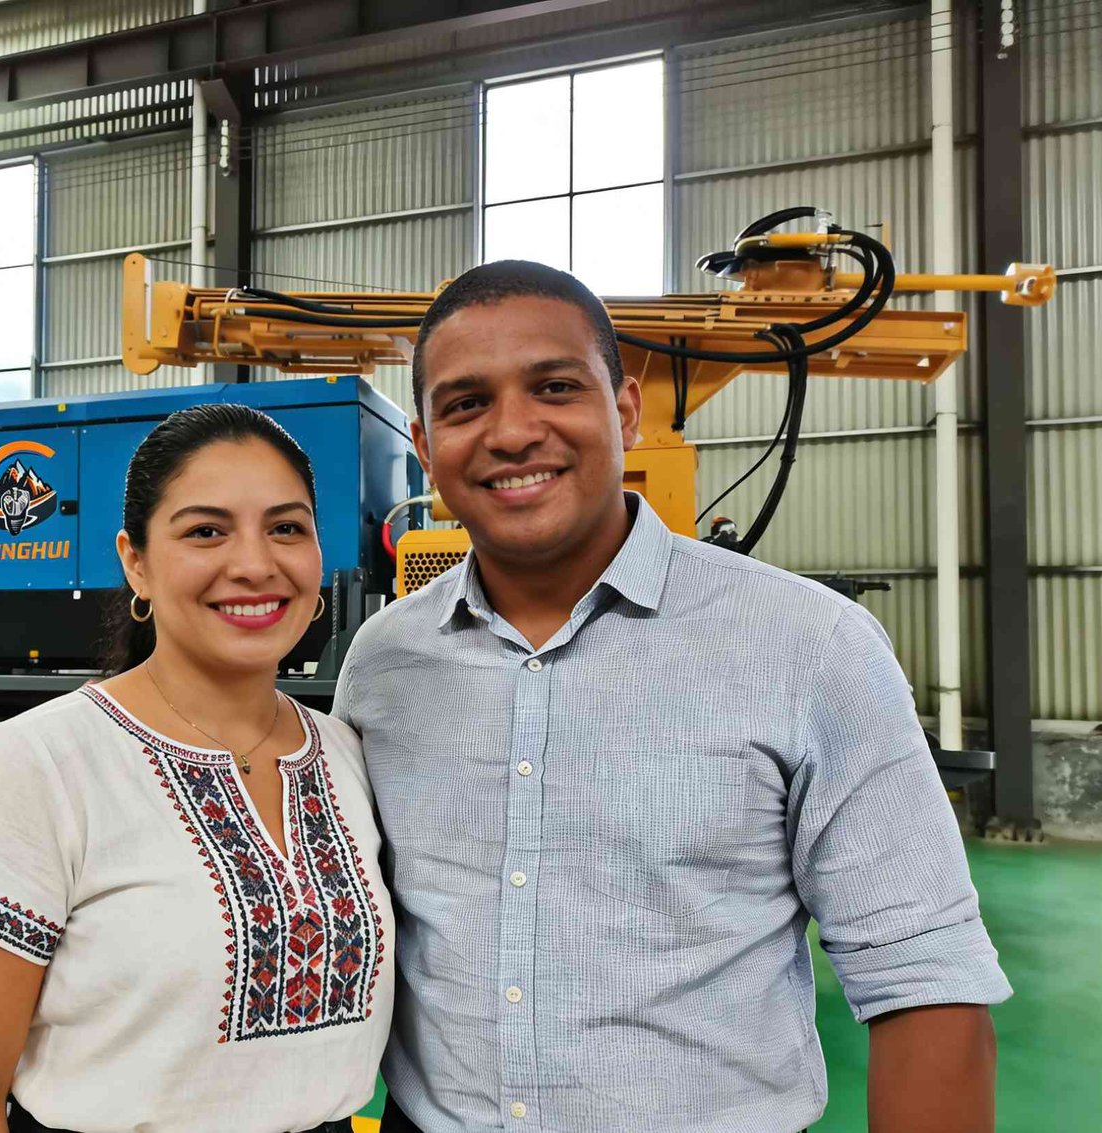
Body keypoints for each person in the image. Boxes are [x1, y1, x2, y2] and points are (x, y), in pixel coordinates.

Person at [333, 260, 1010, 1133]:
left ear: (623, 409)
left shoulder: (811, 646)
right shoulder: (383, 665)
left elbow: (926, 977)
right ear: (425, 447)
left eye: (554, 386)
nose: (512, 431)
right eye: (465, 404)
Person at [0, 404, 393, 1133]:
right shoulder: (37, 766)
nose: (256, 563)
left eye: (287, 527)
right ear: (135, 560)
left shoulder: (348, 756)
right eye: (206, 530)